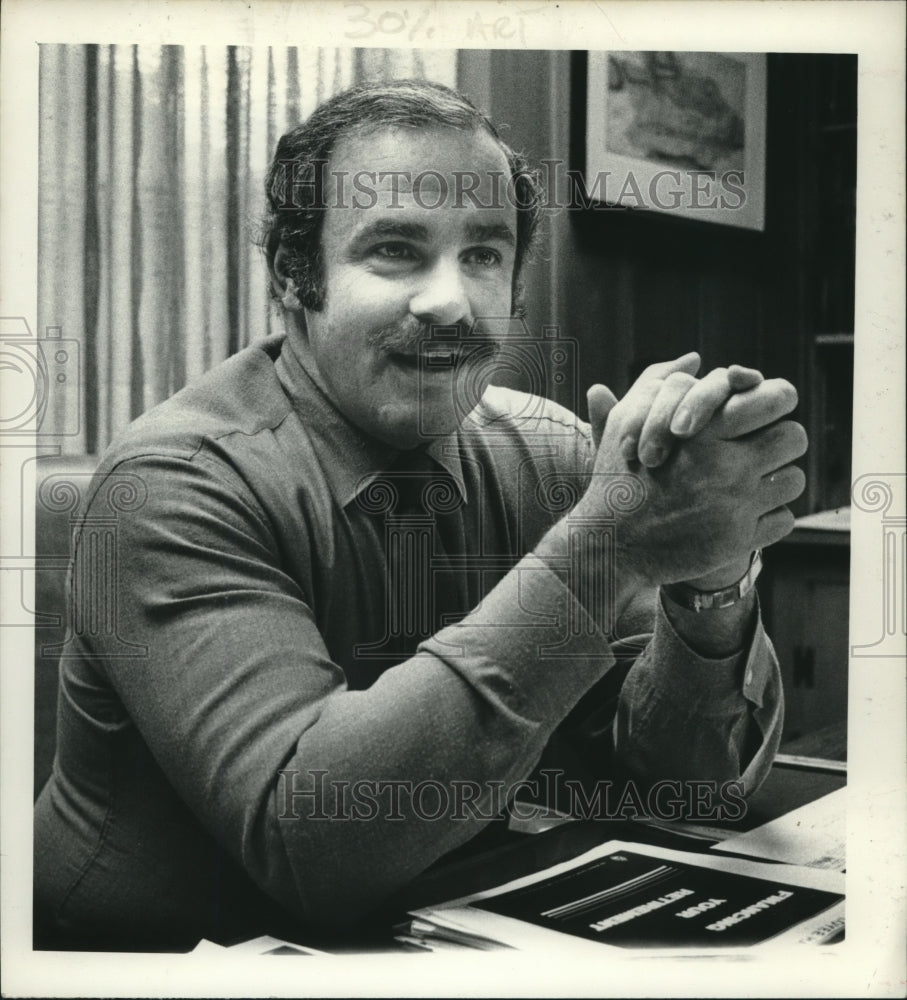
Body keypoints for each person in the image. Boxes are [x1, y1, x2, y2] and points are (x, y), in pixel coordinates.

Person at [33, 79, 806, 951]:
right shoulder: (171, 484)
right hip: (141, 958)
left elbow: (685, 794)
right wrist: (604, 552)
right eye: (396, 249)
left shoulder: (550, 454)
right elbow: (316, 845)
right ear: (295, 275)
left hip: (437, 926)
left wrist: (706, 584)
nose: (451, 302)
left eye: (482, 255)